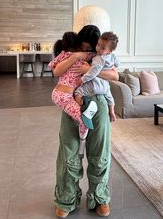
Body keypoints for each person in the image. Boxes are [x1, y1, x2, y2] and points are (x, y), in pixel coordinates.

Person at [53, 24, 119, 218]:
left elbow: (114, 75)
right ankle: (66, 198)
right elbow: (56, 71)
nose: (91, 51)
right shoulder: (72, 52)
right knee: (68, 149)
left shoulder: (104, 55)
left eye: (93, 48)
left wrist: (92, 69)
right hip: (74, 100)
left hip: (98, 102)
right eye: (86, 48)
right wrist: (76, 56)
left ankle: (100, 197)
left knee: (99, 150)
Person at [49, 31, 98, 157]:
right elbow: (97, 55)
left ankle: (81, 144)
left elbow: (52, 66)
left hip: (58, 94)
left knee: (80, 118)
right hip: (64, 97)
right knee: (84, 120)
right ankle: (82, 147)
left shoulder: (63, 54)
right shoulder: (84, 56)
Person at [75, 31, 120, 122]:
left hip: (95, 84)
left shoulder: (98, 58)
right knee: (110, 98)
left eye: (102, 48)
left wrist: (82, 79)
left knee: (78, 92)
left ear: (110, 50)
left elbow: (93, 72)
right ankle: (111, 111)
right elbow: (117, 64)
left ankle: (81, 110)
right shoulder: (113, 56)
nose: (98, 49)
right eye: (98, 45)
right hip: (105, 86)